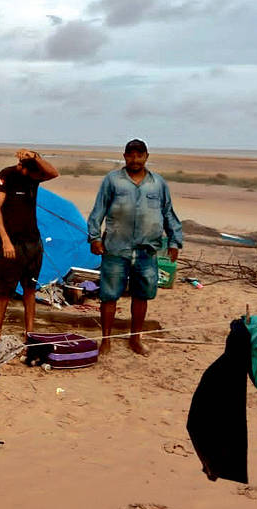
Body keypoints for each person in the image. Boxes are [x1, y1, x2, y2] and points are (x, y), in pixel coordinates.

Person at [87, 139, 183, 356]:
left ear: (146, 157)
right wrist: (94, 238)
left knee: (142, 295)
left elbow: (168, 213)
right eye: (131, 155)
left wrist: (175, 241)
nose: (135, 159)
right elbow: (98, 210)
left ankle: (135, 339)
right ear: (124, 156)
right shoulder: (113, 180)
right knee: (109, 296)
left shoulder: (157, 183)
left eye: (139, 155)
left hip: (146, 251)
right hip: (115, 248)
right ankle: (106, 341)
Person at [0, 149, 59, 343]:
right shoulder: (5, 176)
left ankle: (30, 332)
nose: (35, 176)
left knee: (30, 288)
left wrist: (35, 157)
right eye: (31, 171)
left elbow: (53, 173)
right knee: (3, 291)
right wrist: (5, 240)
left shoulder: (34, 176)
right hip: (11, 243)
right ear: (21, 167)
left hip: (32, 243)